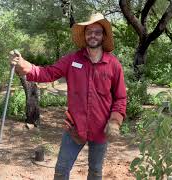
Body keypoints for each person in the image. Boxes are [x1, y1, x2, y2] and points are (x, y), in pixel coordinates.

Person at [10, 13, 127, 180]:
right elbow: (47, 73)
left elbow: (121, 97)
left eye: (97, 32)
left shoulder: (113, 65)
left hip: (102, 130)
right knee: (61, 170)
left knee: (95, 171)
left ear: (104, 36)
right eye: (89, 31)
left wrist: (115, 121)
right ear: (84, 35)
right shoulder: (72, 60)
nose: (93, 35)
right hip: (74, 128)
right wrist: (24, 65)